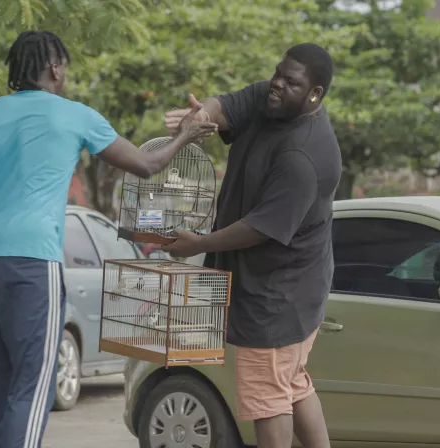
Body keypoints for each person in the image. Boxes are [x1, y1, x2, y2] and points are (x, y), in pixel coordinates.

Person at [0, 30, 217, 448]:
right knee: (34, 381)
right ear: (54, 68)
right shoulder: (74, 115)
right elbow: (144, 164)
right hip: (32, 259)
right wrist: (185, 135)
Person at [163, 43, 341, 448]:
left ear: (315, 94)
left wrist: (199, 244)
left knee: (267, 396)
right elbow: (227, 105)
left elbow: (261, 227)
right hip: (291, 287)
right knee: (290, 382)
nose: (277, 84)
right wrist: (200, 116)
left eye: (290, 82)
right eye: (278, 73)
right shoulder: (272, 98)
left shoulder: (304, 155)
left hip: (280, 294)